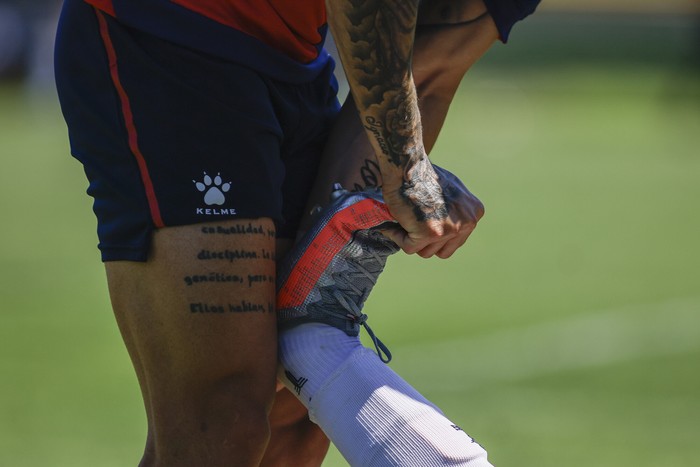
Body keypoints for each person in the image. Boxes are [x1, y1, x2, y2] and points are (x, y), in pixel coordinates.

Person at [54, 0, 538, 465]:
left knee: (296, 412)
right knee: (222, 422)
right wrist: (406, 162)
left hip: (293, 60)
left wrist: (316, 295)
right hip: (172, 30)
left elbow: (431, 63)